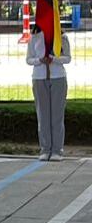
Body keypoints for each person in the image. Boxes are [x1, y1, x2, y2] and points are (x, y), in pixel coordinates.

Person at [26, 24, 71, 162]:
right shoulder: (34, 37)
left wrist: (54, 59)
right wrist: (39, 61)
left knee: (57, 116)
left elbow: (67, 58)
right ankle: (45, 149)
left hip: (58, 77)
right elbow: (29, 59)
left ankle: (57, 150)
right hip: (39, 78)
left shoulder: (62, 37)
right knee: (43, 116)